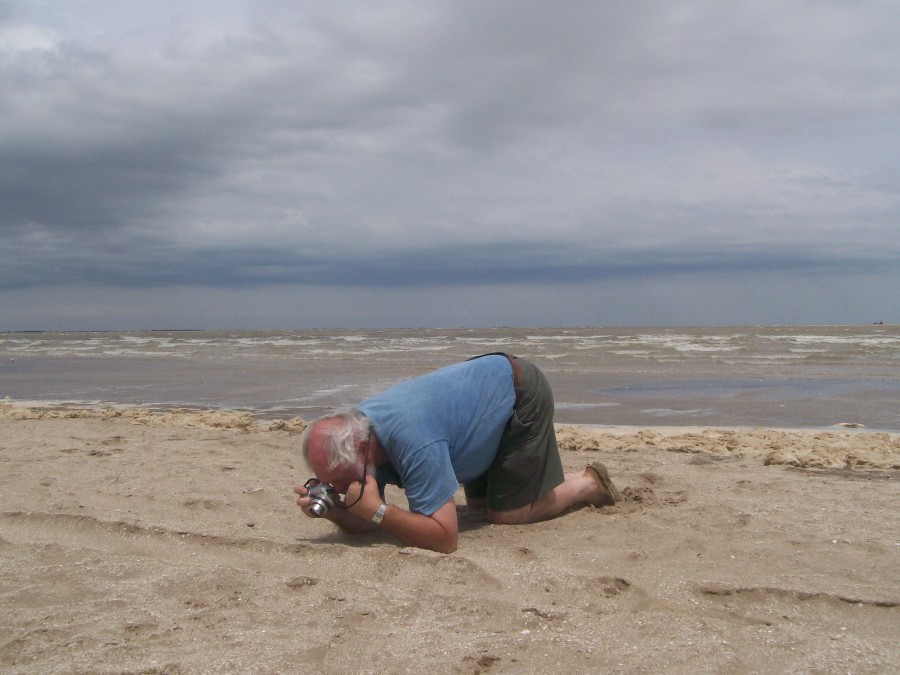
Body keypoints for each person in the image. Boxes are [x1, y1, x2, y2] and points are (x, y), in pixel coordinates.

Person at [293, 353, 621, 553]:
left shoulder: (411, 440)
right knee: (477, 508)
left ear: (364, 448)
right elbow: (366, 519)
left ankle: (588, 483)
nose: (337, 489)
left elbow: (446, 540)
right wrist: (335, 511)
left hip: (520, 394)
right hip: (479, 402)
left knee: (506, 515)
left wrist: (380, 511)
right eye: (328, 483)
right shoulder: (357, 433)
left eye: (338, 481)